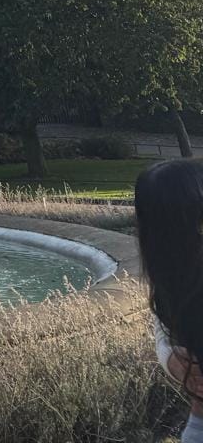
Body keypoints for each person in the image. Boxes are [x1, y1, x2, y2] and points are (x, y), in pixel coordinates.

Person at [136, 158, 203, 440]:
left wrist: (170, 358)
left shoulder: (172, 272)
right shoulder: (174, 279)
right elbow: (165, 332)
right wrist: (172, 359)